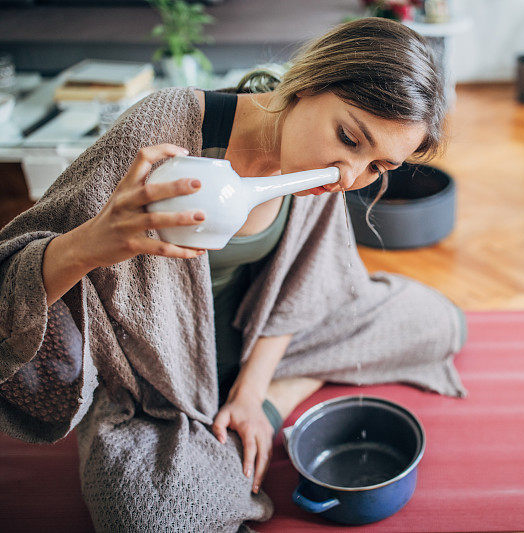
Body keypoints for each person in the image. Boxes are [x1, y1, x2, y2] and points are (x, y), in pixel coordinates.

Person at [0, 18, 467, 532]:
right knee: (149, 517)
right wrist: (92, 244)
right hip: (156, 377)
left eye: (379, 165)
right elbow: (10, 278)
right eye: (349, 138)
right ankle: (229, 436)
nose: (348, 177)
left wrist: (252, 393)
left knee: (438, 321)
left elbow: (307, 285)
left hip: (258, 342)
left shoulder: (321, 174)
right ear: (308, 83)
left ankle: (270, 403)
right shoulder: (166, 129)